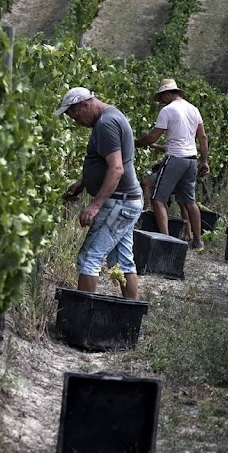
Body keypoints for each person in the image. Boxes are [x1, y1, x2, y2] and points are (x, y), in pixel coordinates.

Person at [57, 87, 143, 300]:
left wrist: (95, 205)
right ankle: (130, 316)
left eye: (77, 116)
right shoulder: (111, 118)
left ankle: (81, 316)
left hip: (118, 203)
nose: (77, 122)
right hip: (127, 201)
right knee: (123, 261)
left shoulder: (106, 124)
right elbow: (107, 163)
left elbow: (116, 169)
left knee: (89, 258)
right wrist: (83, 182)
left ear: (86, 104)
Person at [134, 78, 210, 249]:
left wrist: (136, 143)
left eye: (162, 97)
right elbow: (203, 137)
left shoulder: (168, 111)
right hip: (191, 160)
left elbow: (153, 137)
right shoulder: (193, 109)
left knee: (157, 199)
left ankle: (166, 242)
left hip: (174, 158)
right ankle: (198, 241)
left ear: (168, 93)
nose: (161, 101)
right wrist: (204, 161)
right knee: (190, 201)